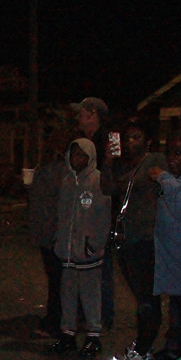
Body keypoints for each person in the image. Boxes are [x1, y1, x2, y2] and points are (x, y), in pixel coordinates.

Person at [101, 119, 168, 360]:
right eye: (128, 138)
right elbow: (108, 188)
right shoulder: (126, 168)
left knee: (146, 299)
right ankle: (142, 349)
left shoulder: (155, 161)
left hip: (146, 239)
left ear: (148, 140)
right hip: (128, 239)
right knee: (141, 297)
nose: (130, 143)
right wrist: (107, 161)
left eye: (137, 137)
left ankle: (142, 351)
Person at [49, 138, 111, 356]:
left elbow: (103, 217)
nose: (76, 159)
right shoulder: (67, 181)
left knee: (90, 294)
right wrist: (59, 240)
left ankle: (93, 335)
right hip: (67, 249)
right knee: (67, 293)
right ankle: (68, 333)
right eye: (73, 154)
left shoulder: (97, 181)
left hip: (87, 250)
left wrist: (95, 244)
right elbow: (61, 214)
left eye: (81, 155)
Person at [145, 128, 181, 360]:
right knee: (178, 309)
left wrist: (165, 179)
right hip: (177, 266)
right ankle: (176, 347)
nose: (172, 159)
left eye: (179, 153)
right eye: (170, 153)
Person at [71, 96, 116, 332]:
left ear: (92, 114)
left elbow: (114, 177)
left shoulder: (107, 141)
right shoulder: (81, 142)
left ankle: (101, 316)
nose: (78, 117)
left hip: (101, 210)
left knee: (101, 265)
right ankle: (87, 313)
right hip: (83, 208)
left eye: (82, 113)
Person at [27, 129, 72, 337]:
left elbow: (53, 203)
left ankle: (57, 322)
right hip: (48, 231)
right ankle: (57, 319)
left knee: (57, 280)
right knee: (56, 279)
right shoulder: (51, 168)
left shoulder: (57, 169)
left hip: (52, 232)